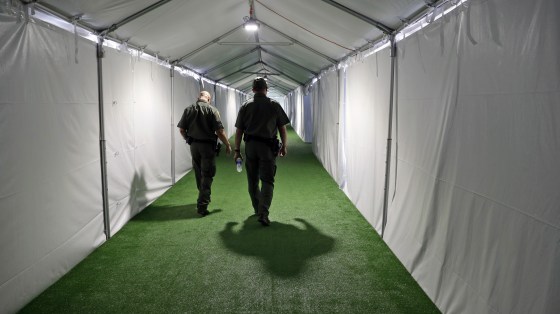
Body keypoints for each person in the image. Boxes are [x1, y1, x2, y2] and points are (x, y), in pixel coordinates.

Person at [234, 78, 290, 226]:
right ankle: (263, 213)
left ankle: (257, 208)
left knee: (252, 181)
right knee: (267, 181)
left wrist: (237, 150)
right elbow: (282, 128)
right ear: (267, 89)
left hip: (251, 147)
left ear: (253, 90)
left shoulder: (245, 106)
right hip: (267, 148)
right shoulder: (274, 105)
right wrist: (284, 146)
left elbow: (239, 131)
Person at [177, 91, 231, 216]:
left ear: (199, 97)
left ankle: (203, 195)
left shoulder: (188, 109)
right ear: (208, 98)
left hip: (194, 146)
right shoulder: (212, 110)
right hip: (207, 146)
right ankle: (202, 205)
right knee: (207, 174)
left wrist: (188, 139)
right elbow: (220, 131)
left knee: (198, 172)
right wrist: (227, 144)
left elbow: (181, 130)